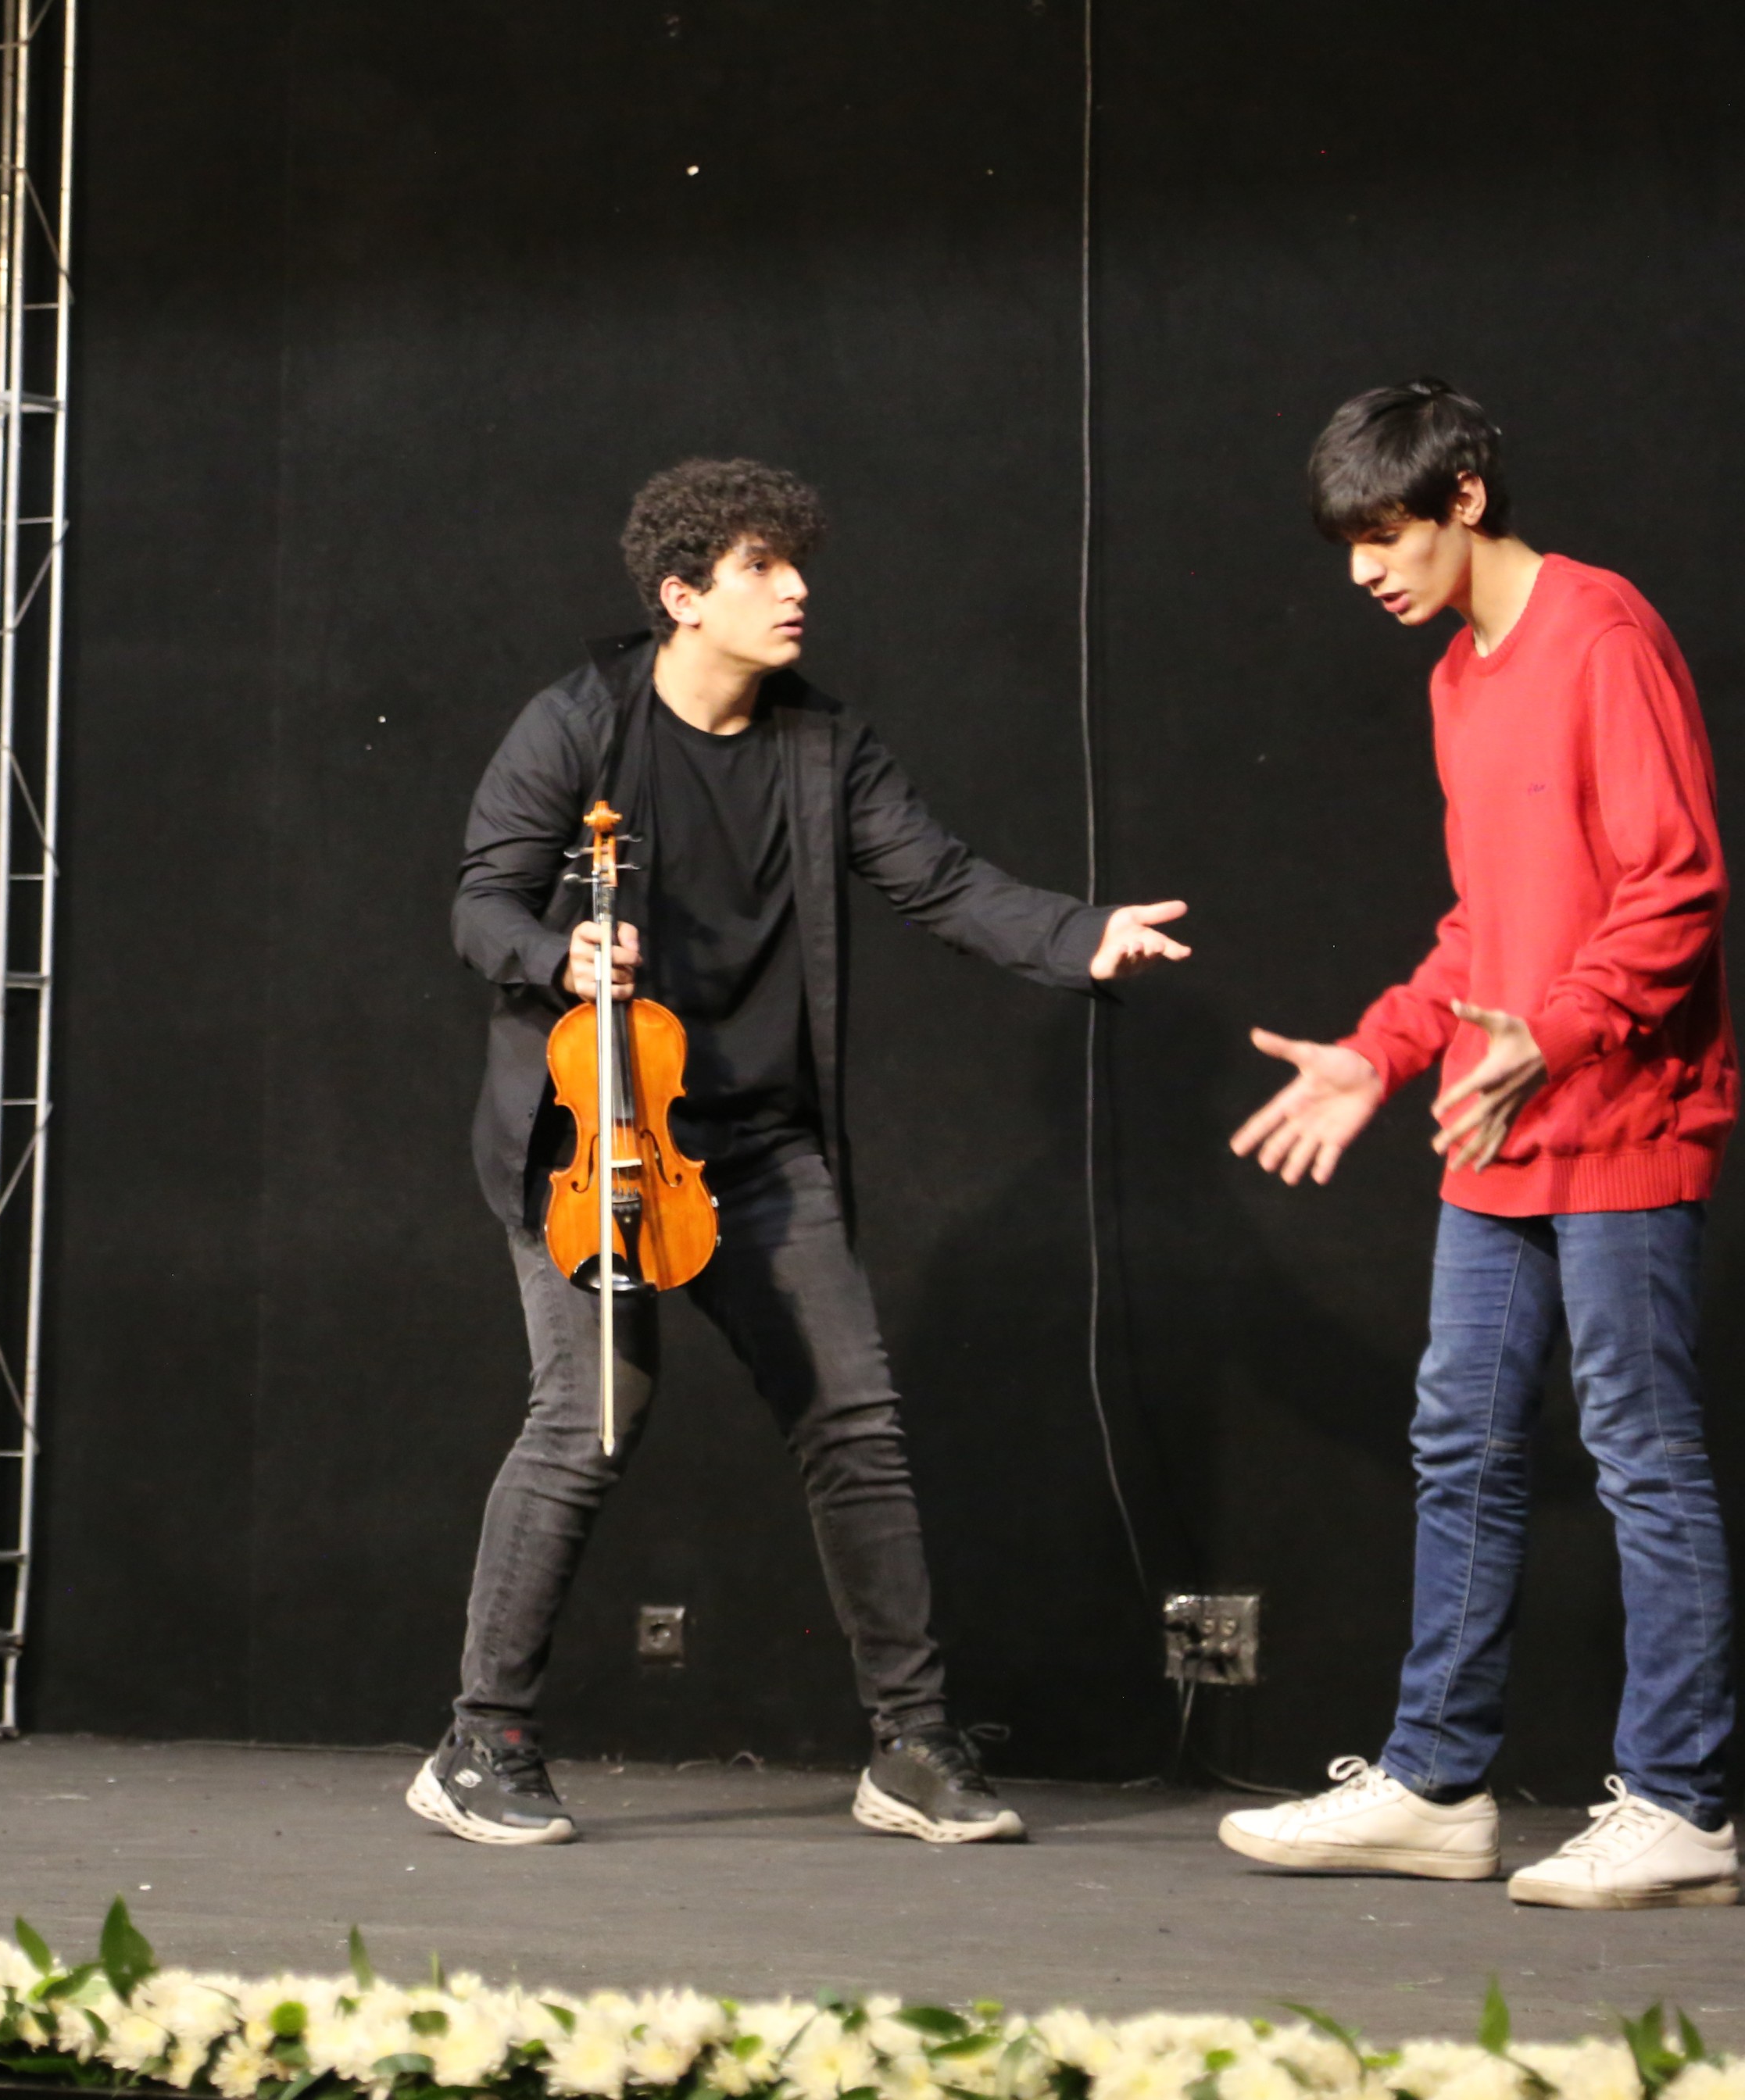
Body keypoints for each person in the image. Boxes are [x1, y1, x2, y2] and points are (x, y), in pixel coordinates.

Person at [410, 458, 1193, 1848]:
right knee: (591, 1420)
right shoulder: (577, 726)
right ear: (682, 596)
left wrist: (1082, 937)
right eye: (762, 568)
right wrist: (559, 953)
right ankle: (481, 1742)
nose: (795, 591)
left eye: (796, 564)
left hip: (759, 1142)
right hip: (597, 1131)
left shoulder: (824, 747)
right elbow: (483, 904)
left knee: (856, 1425)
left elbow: (940, 879)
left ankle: (910, 1747)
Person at [1218, 380, 1743, 1909]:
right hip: (1495, 1128)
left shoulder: (1604, 632)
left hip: (1621, 1114)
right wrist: (1382, 1052)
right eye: (1348, 543)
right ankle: (1437, 1785)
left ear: (1463, 499)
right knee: (1461, 1443)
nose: (1363, 569)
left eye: (1385, 534)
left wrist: (1559, 1035)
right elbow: (1481, 926)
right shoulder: (1459, 676)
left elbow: (1675, 886)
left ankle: (1683, 1807)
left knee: (1640, 1450)